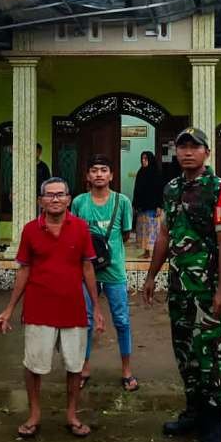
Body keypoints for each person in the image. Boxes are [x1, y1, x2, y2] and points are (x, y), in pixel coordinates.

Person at [143, 127, 221, 442]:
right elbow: (165, 236)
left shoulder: (220, 189)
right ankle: (193, 411)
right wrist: (152, 275)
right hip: (179, 288)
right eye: (181, 146)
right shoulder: (171, 189)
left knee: (211, 352)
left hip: (208, 289)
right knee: (184, 351)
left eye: (194, 147)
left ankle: (214, 420)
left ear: (206, 153)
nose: (187, 152)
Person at [0, 177, 104, 438]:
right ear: (40, 201)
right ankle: (34, 414)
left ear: (69, 199)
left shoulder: (80, 228)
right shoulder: (31, 230)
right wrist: (9, 308)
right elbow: (24, 270)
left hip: (73, 307)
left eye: (60, 194)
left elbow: (88, 268)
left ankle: (71, 414)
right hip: (39, 308)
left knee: (75, 366)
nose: (55, 199)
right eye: (49, 195)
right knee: (34, 364)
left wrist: (97, 308)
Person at [71, 155, 137, 391]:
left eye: (103, 170)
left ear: (111, 175)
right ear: (88, 176)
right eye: (94, 170)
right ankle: (84, 367)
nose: (99, 174)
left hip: (114, 270)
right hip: (86, 271)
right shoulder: (79, 202)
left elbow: (126, 235)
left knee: (122, 320)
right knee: (86, 321)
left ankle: (127, 369)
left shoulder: (122, 202)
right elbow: (75, 237)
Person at [132, 150, 165, 259]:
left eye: (146, 159)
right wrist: (135, 205)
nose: (143, 161)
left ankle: (156, 253)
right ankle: (146, 252)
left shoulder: (157, 173)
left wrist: (160, 206)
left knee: (153, 231)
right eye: (142, 159)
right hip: (143, 207)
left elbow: (160, 191)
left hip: (153, 208)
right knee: (144, 231)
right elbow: (136, 190)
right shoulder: (141, 172)